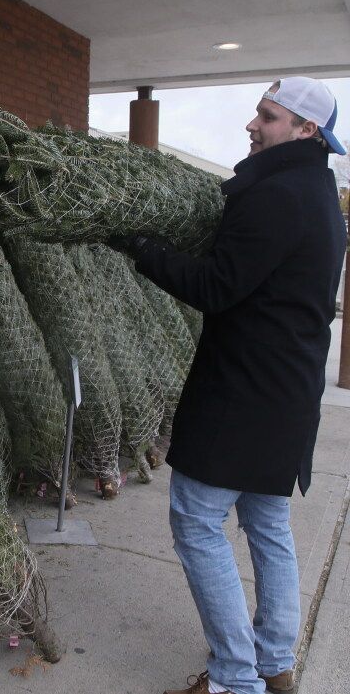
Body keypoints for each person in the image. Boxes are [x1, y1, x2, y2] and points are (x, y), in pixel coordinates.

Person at [112, 76, 347, 694]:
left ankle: (234, 679)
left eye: (268, 117)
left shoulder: (279, 195)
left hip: (245, 391)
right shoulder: (319, 192)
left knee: (195, 520)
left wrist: (139, 243)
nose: (252, 124)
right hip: (288, 391)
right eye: (257, 112)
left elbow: (215, 285)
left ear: (306, 131)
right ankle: (274, 662)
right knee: (268, 525)